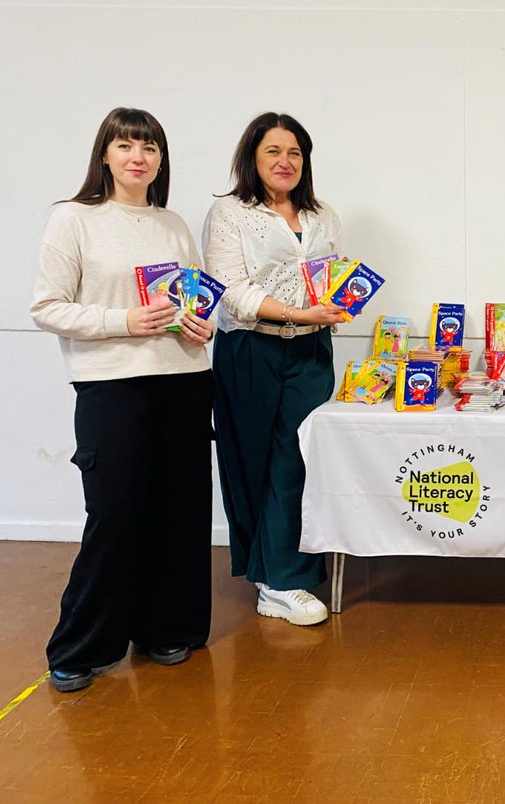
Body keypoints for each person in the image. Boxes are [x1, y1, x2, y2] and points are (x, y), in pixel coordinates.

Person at [30, 107, 216, 693]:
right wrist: (125, 320)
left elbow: (193, 297)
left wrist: (196, 324)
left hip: (184, 378)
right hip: (112, 385)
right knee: (113, 514)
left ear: (161, 159)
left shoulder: (173, 223)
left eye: (151, 147)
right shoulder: (73, 219)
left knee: (179, 510)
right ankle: (82, 645)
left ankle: (167, 628)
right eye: (126, 145)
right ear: (105, 154)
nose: (139, 156)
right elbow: (47, 307)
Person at [203, 113, 346, 626]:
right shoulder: (230, 213)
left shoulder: (321, 213)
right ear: (252, 157)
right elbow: (232, 290)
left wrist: (335, 302)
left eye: (294, 153)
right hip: (251, 350)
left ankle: (286, 574)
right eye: (273, 152)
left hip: (311, 351)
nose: (285, 162)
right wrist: (297, 312)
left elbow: (329, 274)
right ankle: (271, 576)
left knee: (298, 459)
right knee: (255, 459)